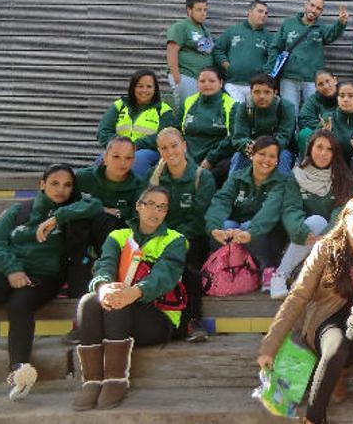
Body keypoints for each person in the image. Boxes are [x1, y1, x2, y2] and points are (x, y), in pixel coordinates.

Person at [259, 194, 353, 424]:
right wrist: (270, 345)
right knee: (335, 349)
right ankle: (314, 418)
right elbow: (298, 296)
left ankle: (337, 370)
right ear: (346, 217)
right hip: (326, 319)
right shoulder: (325, 248)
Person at [72, 185, 188, 411]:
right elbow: (104, 266)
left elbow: (164, 277)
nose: (155, 212)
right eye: (151, 205)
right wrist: (104, 289)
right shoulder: (118, 236)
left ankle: (116, 380)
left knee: (119, 306)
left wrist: (131, 293)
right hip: (118, 308)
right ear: (138, 206)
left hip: (157, 317)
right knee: (89, 301)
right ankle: (93, 381)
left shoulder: (175, 240)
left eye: (162, 207)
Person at [0, 165, 100, 401]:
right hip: (8, 270)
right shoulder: (18, 211)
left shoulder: (70, 212)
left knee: (19, 305)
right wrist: (13, 270)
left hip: (44, 277)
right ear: (41, 184)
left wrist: (58, 217)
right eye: (54, 183)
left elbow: (94, 205)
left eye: (67, 185)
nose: (61, 189)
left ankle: (19, 372)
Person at [147, 127, 216, 342]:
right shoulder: (155, 179)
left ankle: (192, 321)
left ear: (184, 146)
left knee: (189, 268)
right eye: (164, 148)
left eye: (174, 145)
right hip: (161, 238)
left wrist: (175, 241)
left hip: (192, 238)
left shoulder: (201, 177)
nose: (170, 152)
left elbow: (199, 218)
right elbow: (149, 214)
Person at [275, 129, 353, 299]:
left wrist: (327, 236)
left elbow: (341, 210)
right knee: (315, 221)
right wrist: (302, 232)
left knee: (321, 223)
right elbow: (291, 209)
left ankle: (294, 276)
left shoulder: (343, 177)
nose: (323, 153)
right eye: (319, 147)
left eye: (329, 149)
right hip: (301, 237)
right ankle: (280, 276)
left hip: (333, 238)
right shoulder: (296, 176)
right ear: (310, 148)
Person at [204, 136, 286, 275]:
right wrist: (214, 227)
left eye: (272, 156)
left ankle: (266, 269)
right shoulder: (237, 177)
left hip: (264, 237)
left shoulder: (281, 183)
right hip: (239, 231)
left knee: (247, 226)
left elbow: (269, 213)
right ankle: (230, 269)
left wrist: (248, 232)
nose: (266, 160)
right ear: (252, 155)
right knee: (225, 226)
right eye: (261, 154)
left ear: (277, 160)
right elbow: (221, 201)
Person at [74, 137, 146, 295]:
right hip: (81, 238)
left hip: (113, 241)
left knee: (107, 221)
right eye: (116, 156)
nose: (122, 162)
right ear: (105, 157)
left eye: (128, 158)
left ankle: (105, 272)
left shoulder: (139, 185)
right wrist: (100, 208)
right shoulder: (82, 178)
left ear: (134, 160)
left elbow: (135, 222)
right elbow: (67, 207)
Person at [267, 0, 348, 111]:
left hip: (313, 80)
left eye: (318, 8)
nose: (314, 10)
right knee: (289, 113)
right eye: (312, 5)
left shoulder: (321, 27)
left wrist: (340, 23)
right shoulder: (288, 24)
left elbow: (331, 35)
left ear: (321, 12)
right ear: (306, 4)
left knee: (313, 112)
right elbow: (275, 48)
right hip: (289, 78)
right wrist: (269, 72)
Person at [97, 69, 177, 177]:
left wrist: (135, 145)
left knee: (137, 159)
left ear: (155, 89)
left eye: (149, 87)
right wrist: (118, 146)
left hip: (148, 152)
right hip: (118, 149)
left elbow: (164, 136)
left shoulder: (163, 109)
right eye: (140, 86)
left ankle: (135, 192)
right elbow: (103, 131)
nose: (144, 90)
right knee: (101, 160)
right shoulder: (119, 105)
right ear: (133, 87)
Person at [177, 67, 237, 185]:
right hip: (186, 157)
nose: (207, 84)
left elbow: (233, 138)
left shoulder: (232, 105)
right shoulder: (188, 102)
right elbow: (176, 131)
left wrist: (210, 159)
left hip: (216, 159)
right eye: (202, 81)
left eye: (211, 81)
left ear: (220, 83)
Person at [229, 74, 296, 175]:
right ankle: (232, 188)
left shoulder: (285, 107)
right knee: (238, 157)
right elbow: (239, 137)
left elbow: (284, 137)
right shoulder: (244, 107)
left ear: (275, 93)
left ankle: (283, 189)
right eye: (256, 92)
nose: (261, 96)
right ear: (251, 92)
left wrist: (263, 149)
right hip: (252, 149)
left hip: (279, 149)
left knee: (284, 157)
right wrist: (248, 146)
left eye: (267, 92)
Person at [213, 0, 272, 103]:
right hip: (233, 84)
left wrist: (263, 73)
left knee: (251, 116)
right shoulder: (233, 31)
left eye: (266, 13)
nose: (263, 15)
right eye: (260, 11)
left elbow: (272, 58)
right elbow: (218, 49)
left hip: (255, 87)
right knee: (235, 113)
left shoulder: (268, 37)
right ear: (249, 12)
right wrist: (227, 65)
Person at [166, 0, 214, 105]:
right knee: (187, 112)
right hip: (186, 76)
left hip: (201, 80)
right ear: (189, 10)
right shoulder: (181, 27)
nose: (203, 13)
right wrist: (177, 79)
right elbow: (172, 51)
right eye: (199, 10)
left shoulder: (205, 30)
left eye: (205, 10)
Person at [297, 70, 339, 156]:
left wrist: (333, 128)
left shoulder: (345, 95)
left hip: (342, 134)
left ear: (335, 80)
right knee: (304, 133)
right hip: (318, 135)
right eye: (320, 84)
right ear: (316, 87)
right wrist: (322, 128)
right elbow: (303, 120)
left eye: (328, 81)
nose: (326, 86)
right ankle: (308, 165)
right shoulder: (313, 100)